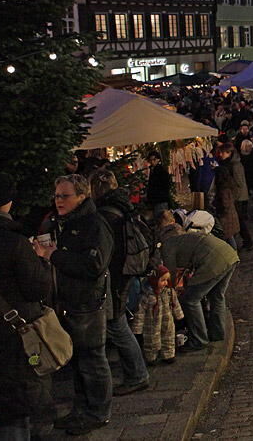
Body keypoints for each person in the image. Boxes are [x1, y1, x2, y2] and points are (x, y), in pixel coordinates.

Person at [0, 173, 52, 440]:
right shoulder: (13, 242)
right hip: (10, 339)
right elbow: (38, 288)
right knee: (12, 409)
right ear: (4, 204)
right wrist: (42, 260)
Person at [45, 174, 115, 436]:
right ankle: (81, 409)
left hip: (87, 304)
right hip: (70, 301)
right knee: (77, 360)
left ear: (82, 196)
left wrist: (55, 255)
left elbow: (93, 265)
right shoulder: (66, 223)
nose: (59, 201)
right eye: (56, 195)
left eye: (65, 196)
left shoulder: (94, 224)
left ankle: (98, 412)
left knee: (92, 358)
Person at [89, 170, 150, 398]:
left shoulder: (106, 214)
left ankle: (137, 375)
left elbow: (110, 251)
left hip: (115, 275)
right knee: (118, 322)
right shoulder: (123, 207)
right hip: (125, 272)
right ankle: (135, 373)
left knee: (117, 324)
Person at [156, 211, 240, 353]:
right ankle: (217, 333)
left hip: (213, 262)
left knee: (190, 300)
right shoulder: (183, 234)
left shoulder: (168, 244)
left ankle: (199, 339)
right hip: (229, 255)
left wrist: (170, 291)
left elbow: (169, 274)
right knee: (217, 296)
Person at [130, 265, 184, 365]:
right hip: (151, 323)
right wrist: (137, 328)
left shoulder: (169, 292)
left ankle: (168, 355)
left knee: (168, 338)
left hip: (167, 321)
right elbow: (140, 312)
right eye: (163, 280)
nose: (165, 283)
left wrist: (179, 315)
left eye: (167, 280)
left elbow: (175, 304)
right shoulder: (146, 296)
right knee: (151, 341)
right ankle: (151, 357)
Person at [211, 144, 243, 247]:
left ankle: (234, 252)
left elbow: (239, 183)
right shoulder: (225, 167)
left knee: (229, 235)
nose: (220, 154)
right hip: (230, 207)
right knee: (232, 233)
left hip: (228, 210)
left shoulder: (232, 166)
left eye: (222, 152)